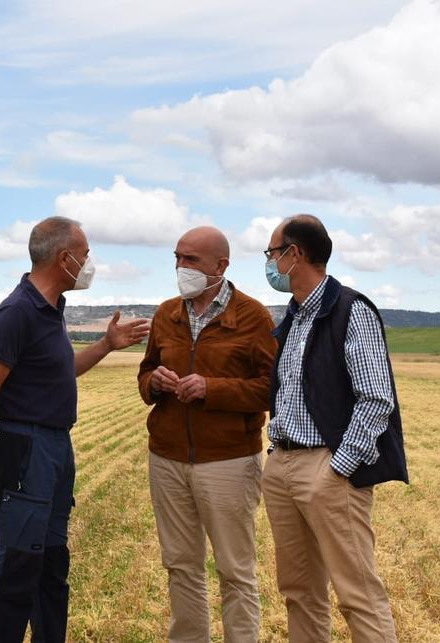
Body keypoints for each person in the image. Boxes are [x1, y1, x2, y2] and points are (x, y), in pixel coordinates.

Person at [0, 216, 150, 642]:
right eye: (85, 255)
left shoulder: (50, 310)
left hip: (54, 446)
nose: (89, 264)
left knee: (51, 565)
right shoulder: (17, 312)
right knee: (18, 566)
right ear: (64, 258)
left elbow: (62, 372)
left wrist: (105, 345)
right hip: (25, 448)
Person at [262, 214, 408, 642]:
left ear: (295, 254)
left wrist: (338, 469)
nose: (269, 263)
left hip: (327, 469)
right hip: (283, 466)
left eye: (272, 253)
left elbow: (376, 397)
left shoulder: (350, 310)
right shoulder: (293, 319)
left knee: (357, 594)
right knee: (299, 593)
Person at [137, 226, 276, 642]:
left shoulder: (253, 316)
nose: (181, 267)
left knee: (235, 570)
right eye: (178, 257)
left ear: (221, 265)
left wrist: (211, 388)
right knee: (180, 566)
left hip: (229, 461)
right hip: (167, 458)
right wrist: (154, 382)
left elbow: (272, 387)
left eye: (191, 259)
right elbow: (145, 373)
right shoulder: (167, 313)